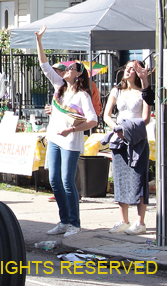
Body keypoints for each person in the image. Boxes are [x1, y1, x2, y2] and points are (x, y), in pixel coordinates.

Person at [35, 26, 98, 237]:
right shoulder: (59, 87)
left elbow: (93, 120)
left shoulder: (83, 96)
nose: (66, 70)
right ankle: (63, 221)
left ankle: (74, 223)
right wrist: (39, 41)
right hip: (54, 138)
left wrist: (72, 129)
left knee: (67, 181)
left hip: (70, 141)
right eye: (66, 68)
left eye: (71, 68)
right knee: (54, 180)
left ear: (79, 73)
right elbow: (44, 66)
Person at [102, 60, 151, 235]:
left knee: (139, 178)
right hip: (119, 137)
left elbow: (146, 118)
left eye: (133, 69)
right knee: (121, 178)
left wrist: (128, 129)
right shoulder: (117, 91)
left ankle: (140, 222)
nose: (128, 71)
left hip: (136, 138)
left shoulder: (143, 92)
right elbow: (106, 115)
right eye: (127, 68)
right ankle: (123, 219)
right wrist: (117, 128)